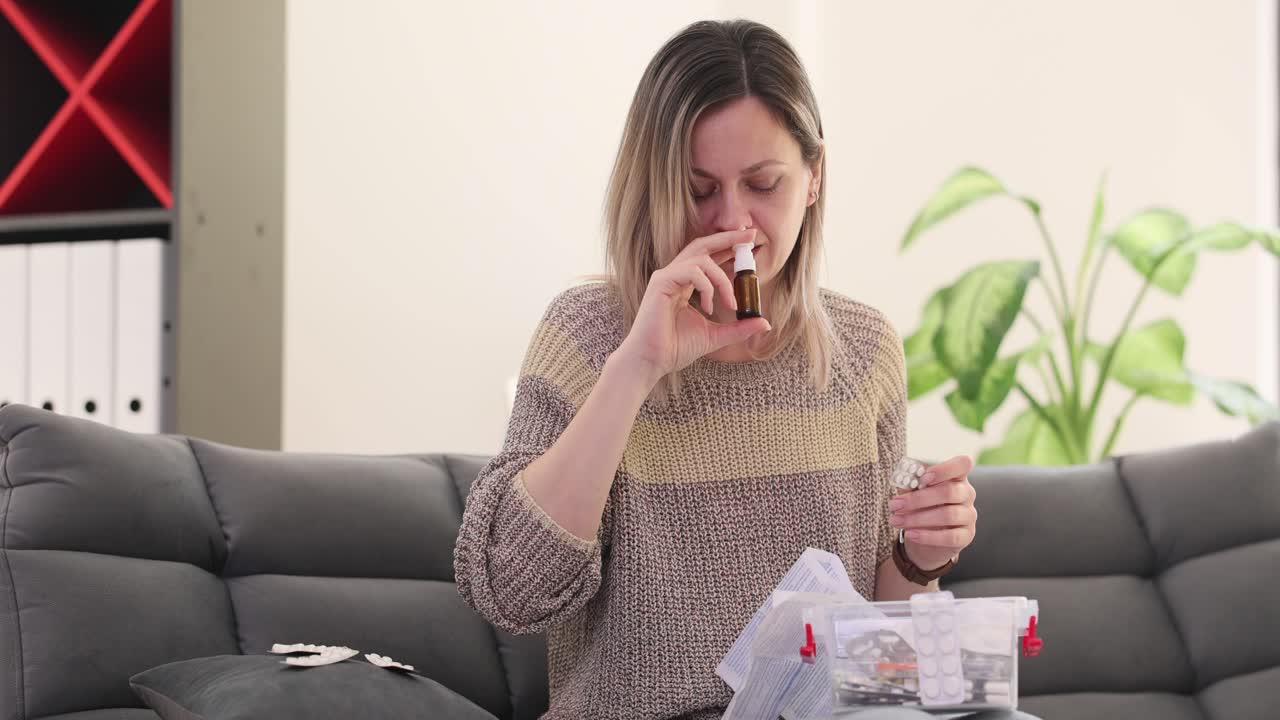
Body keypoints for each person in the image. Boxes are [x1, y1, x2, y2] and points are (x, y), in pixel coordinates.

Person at [454, 19, 988, 720]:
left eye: (763, 184)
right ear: (654, 186)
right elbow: (509, 592)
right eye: (697, 188)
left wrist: (919, 555)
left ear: (814, 178)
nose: (732, 222)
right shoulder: (587, 337)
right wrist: (636, 368)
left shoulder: (864, 352)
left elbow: (877, 657)